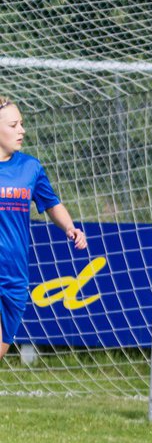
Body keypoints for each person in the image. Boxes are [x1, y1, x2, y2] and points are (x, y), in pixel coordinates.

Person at [0, 97, 88, 362]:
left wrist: (70, 227)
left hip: (14, 275)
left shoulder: (30, 168)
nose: (21, 131)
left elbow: (51, 204)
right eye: (14, 125)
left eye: (22, 124)